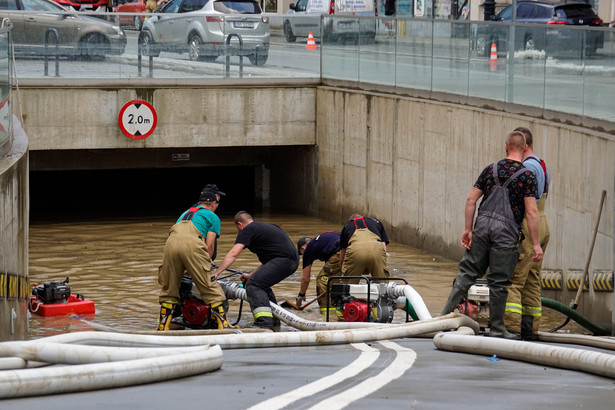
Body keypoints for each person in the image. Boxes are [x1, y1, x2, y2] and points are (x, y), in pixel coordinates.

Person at [440, 131, 544, 339]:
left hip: (483, 227)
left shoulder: (491, 169)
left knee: (467, 272)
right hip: (506, 234)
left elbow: (471, 200)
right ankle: (498, 329)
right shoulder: (527, 176)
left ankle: (442, 318)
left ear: (506, 147)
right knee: (498, 282)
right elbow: (532, 212)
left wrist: (468, 229)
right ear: (524, 150)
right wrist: (535, 244)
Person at [157, 184, 236, 331]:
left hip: (170, 245)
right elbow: (210, 245)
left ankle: (163, 326)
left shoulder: (185, 213)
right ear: (213, 203)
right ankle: (223, 325)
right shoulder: (213, 216)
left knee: (170, 288)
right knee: (209, 286)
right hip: (192, 244)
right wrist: (206, 262)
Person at [214, 211, 299, 330]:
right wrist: (250, 275)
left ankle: (263, 323)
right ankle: (274, 323)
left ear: (239, 224)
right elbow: (268, 261)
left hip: (283, 261)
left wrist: (217, 272)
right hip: (292, 261)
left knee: (254, 286)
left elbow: (233, 254)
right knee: (259, 284)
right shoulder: (266, 228)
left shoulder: (247, 230)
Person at [505, 127, 551, 340]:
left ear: (524, 146)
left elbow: (528, 207)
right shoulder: (542, 164)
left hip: (529, 226)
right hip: (542, 225)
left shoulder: (527, 168)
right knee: (532, 280)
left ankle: (512, 330)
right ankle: (530, 330)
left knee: (513, 279)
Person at [296, 232, 342, 315]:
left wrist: (301, 294)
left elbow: (305, 279)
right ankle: (341, 308)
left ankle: (328, 313)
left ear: (303, 248)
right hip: (353, 249)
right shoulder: (323, 242)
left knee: (322, 280)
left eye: (301, 253)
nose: (304, 255)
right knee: (336, 280)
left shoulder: (308, 249)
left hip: (339, 252)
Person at [339, 214, 390, 281]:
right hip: (377, 249)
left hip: (355, 250)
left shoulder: (347, 226)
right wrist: (372, 264)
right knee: (383, 285)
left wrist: (344, 270)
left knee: (347, 286)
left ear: (351, 220)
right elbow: (383, 248)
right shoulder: (376, 222)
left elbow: (342, 257)